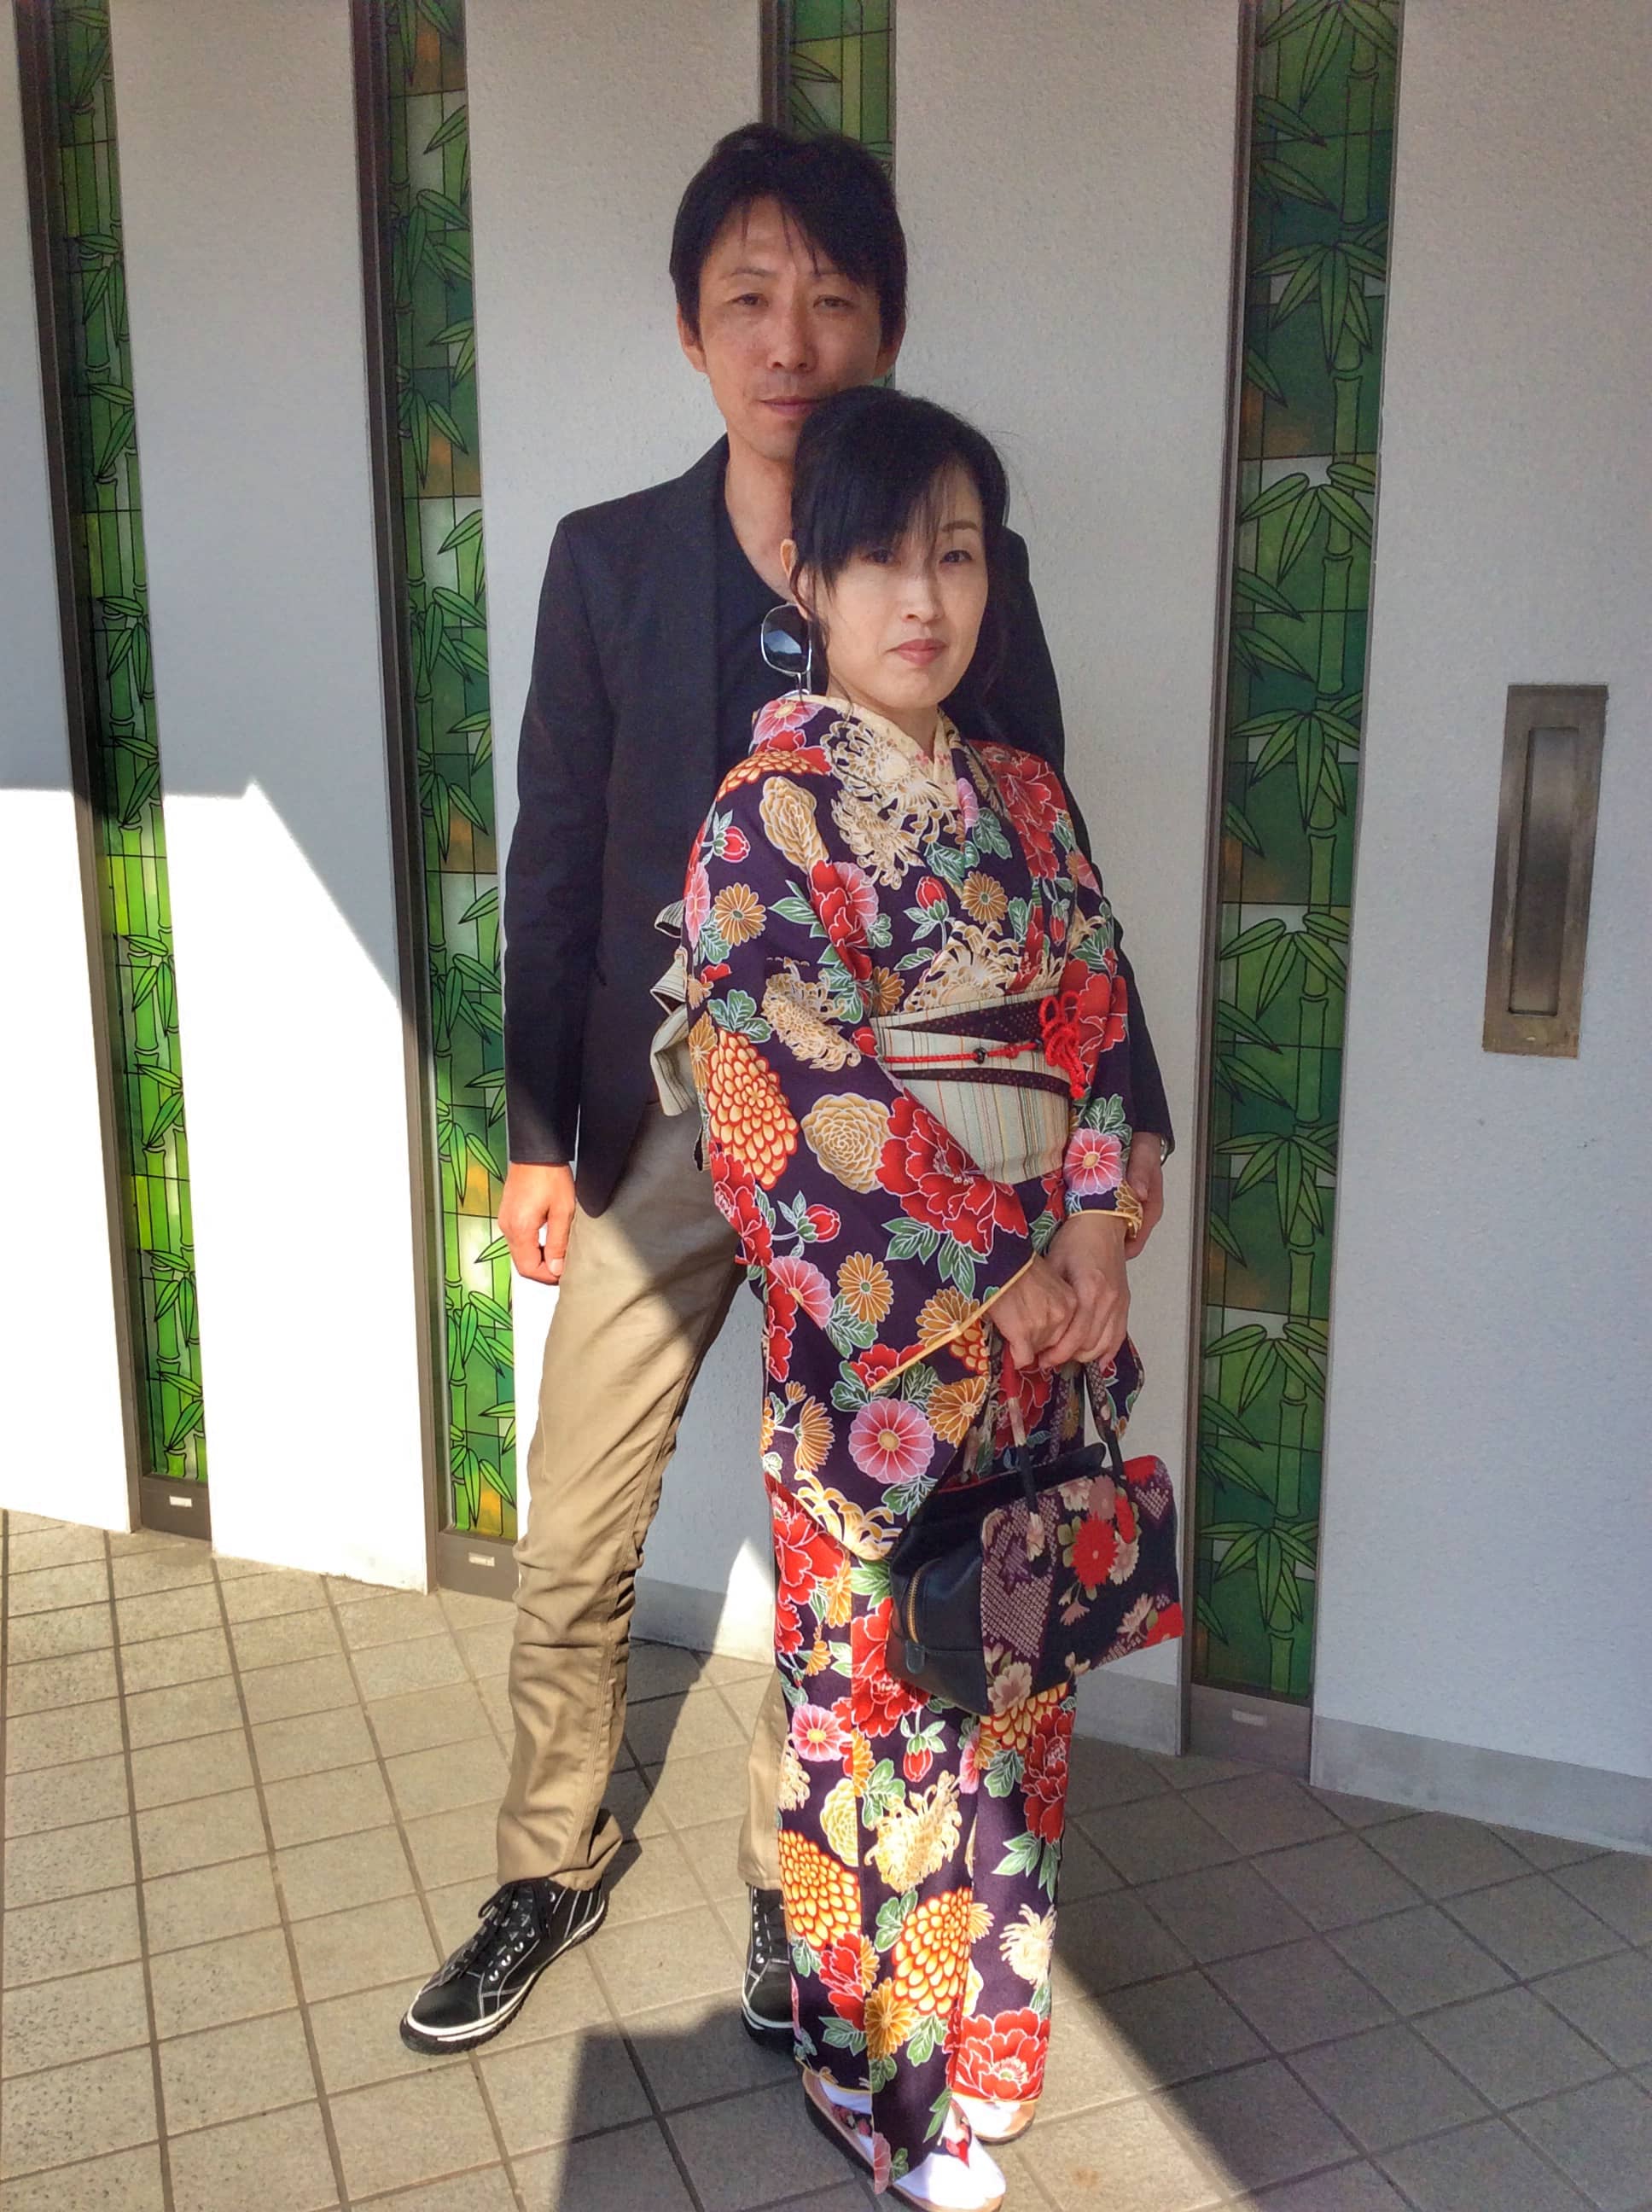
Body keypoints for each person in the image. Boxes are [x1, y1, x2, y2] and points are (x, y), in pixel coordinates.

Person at [398, 124, 1172, 2060]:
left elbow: (1054, 870)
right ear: (691, 328)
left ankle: (785, 1881)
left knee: (848, 1524)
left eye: (831, 298)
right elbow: (554, 855)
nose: (789, 337)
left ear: (883, 325)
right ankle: (545, 1862)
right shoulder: (606, 560)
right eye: (747, 297)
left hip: (898, 1162)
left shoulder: (966, 562)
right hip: (670, 1122)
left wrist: (1120, 1138)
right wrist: (531, 1134)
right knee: (578, 1512)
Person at [680, 383, 1149, 2209]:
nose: (923, 596)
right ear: (807, 576)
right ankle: (877, 2082)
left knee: (1012, 1677)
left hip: (1041, 1326)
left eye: (955, 553)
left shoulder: (1023, 795)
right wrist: (996, 1267)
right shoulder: (768, 812)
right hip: (886, 1343)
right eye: (880, 554)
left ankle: (991, 2046)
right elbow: (772, 1082)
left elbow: (1093, 1022)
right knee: (871, 1698)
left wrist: (1093, 1232)